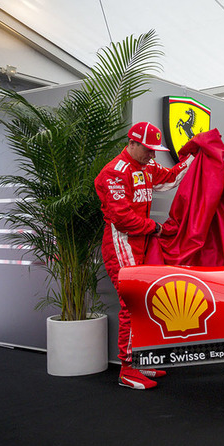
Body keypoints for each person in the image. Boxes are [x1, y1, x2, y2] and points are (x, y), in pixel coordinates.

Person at [94, 121, 189, 390]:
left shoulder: (146, 167)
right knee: (132, 304)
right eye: (148, 149)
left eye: (154, 150)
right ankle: (126, 369)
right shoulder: (114, 172)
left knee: (144, 302)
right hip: (121, 244)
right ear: (132, 143)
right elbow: (122, 219)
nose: (152, 155)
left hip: (142, 243)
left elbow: (170, 178)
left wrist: (195, 156)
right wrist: (156, 228)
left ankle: (140, 360)